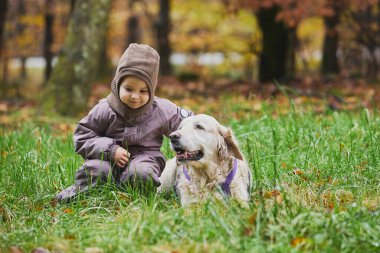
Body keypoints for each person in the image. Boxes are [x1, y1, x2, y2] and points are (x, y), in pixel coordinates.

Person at [55, 43, 192, 202]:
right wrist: (110, 149)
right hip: (105, 159)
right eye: (129, 89)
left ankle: (136, 200)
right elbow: (82, 136)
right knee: (96, 171)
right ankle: (82, 197)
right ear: (118, 84)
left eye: (143, 91)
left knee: (141, 173)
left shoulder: (161, 110)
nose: (135, 96)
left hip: (145, 157)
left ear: (152, 90)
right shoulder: (105, 109)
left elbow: (188, 124)